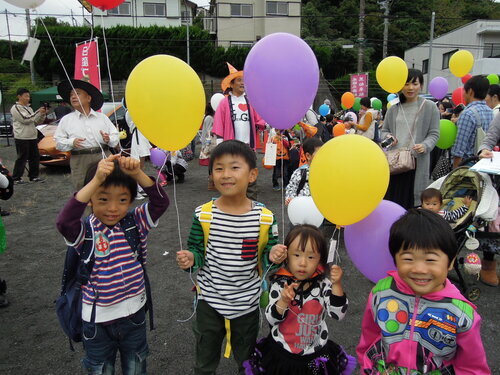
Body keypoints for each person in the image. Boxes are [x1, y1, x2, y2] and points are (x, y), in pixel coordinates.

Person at [176, 140, 286, 375]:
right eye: (218, 168)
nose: (226, 174)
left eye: (234, 167)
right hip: (209, 301)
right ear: (211, 174)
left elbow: (267, 259)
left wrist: (274, 256)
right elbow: (197, 250)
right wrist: (190, 259)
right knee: (204, 361)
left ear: (252, 174)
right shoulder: (203, 214)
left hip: (247, 303)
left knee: (247, 361)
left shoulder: (265, 218)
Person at [56, 154, 169, 374]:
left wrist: (137, 173)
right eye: (103, 199)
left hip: (134, 315)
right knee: (101, 370)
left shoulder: (135, 222)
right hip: (96, 322)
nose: (113, 208)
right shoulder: (85, 231)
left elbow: (161, 202)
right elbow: (64, 221)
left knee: (136, 368)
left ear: (131, 200)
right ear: (90, 198)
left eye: (122, 200)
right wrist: (96, 180)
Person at [356, 209, 491, 374]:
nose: (419, 269)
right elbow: (370, 337)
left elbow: (472, 367)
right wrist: (367, 368)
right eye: (408, 259)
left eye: (430, 260)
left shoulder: (461, 314)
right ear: (394, 258)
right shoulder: (381, 293)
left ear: (450, 262)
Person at [243, 224, 355, 375]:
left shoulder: (324, 285)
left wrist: (337, 285)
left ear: (320, 260)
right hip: (281, 353)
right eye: (297, 255)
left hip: (315, 356)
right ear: (286, 256)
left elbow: (338, 314)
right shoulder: (280, 284)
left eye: (310, 257)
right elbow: (271, 319)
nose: (303, 263)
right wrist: (283, 301)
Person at [381, 69, 440, 209]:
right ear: (401, 86)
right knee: (394, 200)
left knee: (413, 203)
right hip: (396, 163)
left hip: (416, 162)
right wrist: (389, 137)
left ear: (421, 85)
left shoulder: (430, 107)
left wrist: (425, 146)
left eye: (414, 83)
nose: (410, 88)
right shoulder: (394, 108)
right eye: (406, 84)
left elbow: (434, 133)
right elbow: (384, 130)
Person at [211, 63, 266, 200]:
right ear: (232, 83)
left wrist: (271, 123)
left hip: (249, 147)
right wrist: (220, 146)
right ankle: (232, 204)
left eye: (244, 81)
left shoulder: (251, 101)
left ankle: (252, 205)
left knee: (251, 177)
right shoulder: (224, 103)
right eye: (239, 80)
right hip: (231, 147)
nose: (243, 83)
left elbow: (260, 120)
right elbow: (219, 124)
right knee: (231, 178)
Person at [54, 79, 119, 191]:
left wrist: (108, 139)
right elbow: (58, 143)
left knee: (108, 186)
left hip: (103, 156)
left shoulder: (102, 118)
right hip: (80, 159)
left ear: (88, 98)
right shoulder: (66, 120)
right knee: (82, 190)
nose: (73, 97)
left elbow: (115, 136)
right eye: (71, 95)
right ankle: (87, 209)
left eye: (77, 93)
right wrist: (71, 142)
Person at [451, 75, 493, 169]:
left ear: (470, 91)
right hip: (485, 164)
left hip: (468, 165)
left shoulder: (468, 114)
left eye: (464, 91)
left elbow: (459, 148)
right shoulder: (491, 112)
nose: (463, 95)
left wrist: (455, 171)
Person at [10, 88, 46, 184]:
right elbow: (25, 119)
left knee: (35, 157)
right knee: (22, 157)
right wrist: (38, 112)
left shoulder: (29, 108)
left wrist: (42, 115)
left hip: (32, 136)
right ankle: (16, 178)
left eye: (29, 96)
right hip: (21, 136)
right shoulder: (16, 107)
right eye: (26, 96)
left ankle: (33, 176)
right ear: (19, 96)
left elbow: (35, 121)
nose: (28, 98)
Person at [124, 104, 152, 199]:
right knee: (136, 165)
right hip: (138, 137)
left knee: (141, 165)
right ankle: (134, 190)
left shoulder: (139, 110)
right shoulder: (129, 112)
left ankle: (139, 187)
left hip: (143, 136)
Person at [285, 137, 323, 205]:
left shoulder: (326, 171)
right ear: (308, 156)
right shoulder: (299, 172)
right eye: (319, 153)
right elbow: (291, 188)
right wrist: (290, 199)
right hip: (303, 209)